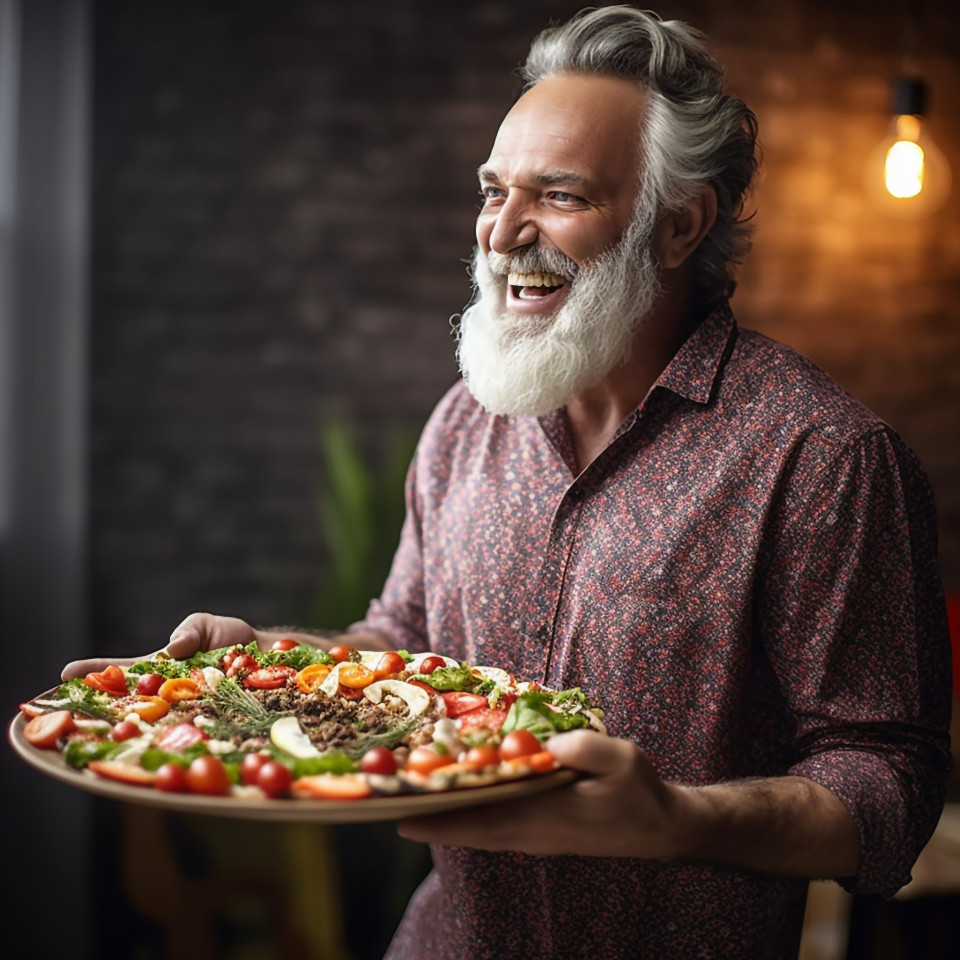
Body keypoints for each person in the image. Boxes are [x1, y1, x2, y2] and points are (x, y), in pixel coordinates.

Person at [64, 6, 953, 958]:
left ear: (678, 224)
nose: (502, 231)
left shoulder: (820, 457)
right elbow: (400, 647)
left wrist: (681, 819)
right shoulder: (465, 420)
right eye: (494, 191)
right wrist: (264, 669)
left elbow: (888, 786)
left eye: (560, 194)